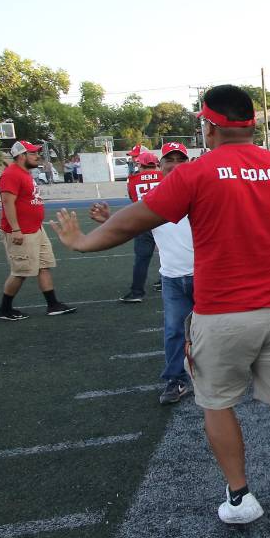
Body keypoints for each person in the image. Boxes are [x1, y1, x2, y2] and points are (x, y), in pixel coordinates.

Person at [49, 84, 270, 524]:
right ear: (253, 124)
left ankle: (241, 498)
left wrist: (83, 243)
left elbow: (134, 219)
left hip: (221, 314)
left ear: (209, 124)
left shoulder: (195, 173)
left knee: (217, 403)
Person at [90, 142, 195, 404]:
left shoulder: (202, 191)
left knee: (217, 330)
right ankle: (176, 380)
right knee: (173, 330)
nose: (174, 165)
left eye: (180, 160)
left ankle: (226, 374)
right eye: (168, 160)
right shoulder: (153, 198)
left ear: (189, 163)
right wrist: (109, 220)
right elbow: (137, 227)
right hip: (172, 277)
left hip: (206, 274)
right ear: (159, 166)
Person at [0, 141, 76, 321]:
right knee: (21, 271)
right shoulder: (11, 174)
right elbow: (7, 202)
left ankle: (53, 304)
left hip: (35, 229)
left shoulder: (24, 173)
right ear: (22, 155)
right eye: (32, 153)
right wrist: (16, 229)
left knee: (44, 266)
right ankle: (5, 308)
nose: (36, 156)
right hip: (21, 231)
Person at [118, 151, 162, 303]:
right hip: (164, 220)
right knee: (168, 253)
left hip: (143, 221)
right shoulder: (164, 176)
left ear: (140, 164)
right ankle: (165, 281)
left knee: (142, 259)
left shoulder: (133, 179)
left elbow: (132, 198)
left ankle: (137, 292)